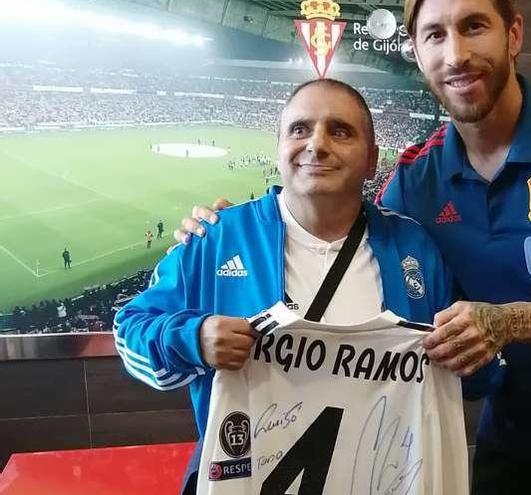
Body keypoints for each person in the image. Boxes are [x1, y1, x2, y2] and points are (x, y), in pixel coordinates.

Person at [177, 1, 531, 492]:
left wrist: (508, 322)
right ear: (416, 51)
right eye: (435, 35)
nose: (455, 54)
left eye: (474, 26)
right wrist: (230, 227)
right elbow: (341, 234)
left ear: (514, 35)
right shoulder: (417, 177)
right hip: (506, 440)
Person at [118, 78, 499, 494]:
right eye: (300, 129)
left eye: (340, 131)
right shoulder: (217, 238)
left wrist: (475, 347)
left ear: (372, 161)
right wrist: (195, 339)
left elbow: (470, 378)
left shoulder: (414, 248)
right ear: (279, 147)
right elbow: (130, 331)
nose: (316, 144)